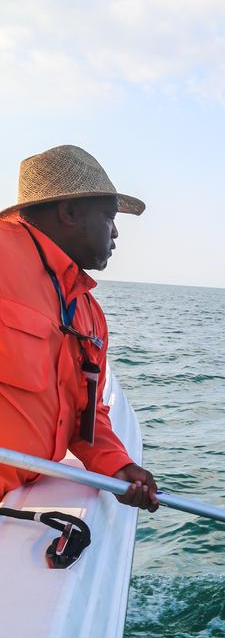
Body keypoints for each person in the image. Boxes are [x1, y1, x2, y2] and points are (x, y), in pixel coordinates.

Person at [0, 144, 158, 509]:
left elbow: (87, 420)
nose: (116, 232)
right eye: (109, 216)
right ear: (69, 211)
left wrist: (120, 467)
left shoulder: (89, 313)